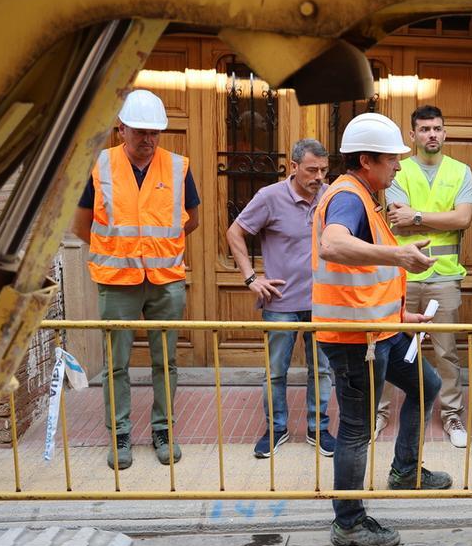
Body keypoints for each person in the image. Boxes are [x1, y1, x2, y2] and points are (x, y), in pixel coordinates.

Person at [314, 112, 452, 546]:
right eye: (392, 159)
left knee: (427, 385)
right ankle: (349, 521)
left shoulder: (367, 197)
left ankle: (405, 471)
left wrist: (400, 318)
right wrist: (400, 257)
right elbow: (332, 244)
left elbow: (364, 278)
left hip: (381, 332)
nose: (398, 166)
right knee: (356, 429)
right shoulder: (348, 198)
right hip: (355, 342)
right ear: (367, 160)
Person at [71, 89, 199, 470]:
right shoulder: (101, 166)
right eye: (140, 131)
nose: (148, 139)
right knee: (116, 364)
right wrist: (119, 249)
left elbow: (191, 218)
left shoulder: (177, 166)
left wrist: (158, 248)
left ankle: (163, 430)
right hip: (116, 279)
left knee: (166, 361)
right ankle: (120, 435)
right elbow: (82, 225)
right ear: (121, 129)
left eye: (155, 133)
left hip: (165, 279)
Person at [227, 138, 336, 460]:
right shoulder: (270, 197)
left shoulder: (331, 196)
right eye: (312, 170)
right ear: (293, 167)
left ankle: (318, 428)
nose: (318, 177)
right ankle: (276, 428)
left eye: (324, 170)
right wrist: (250, 278)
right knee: (276, 372)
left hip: (323, 301)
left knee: (322, 370)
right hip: (281, 303)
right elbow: (235, 233)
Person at [375, 104, 472, 448]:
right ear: (413, 135)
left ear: (444, 133)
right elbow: (395, 218)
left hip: (444, 277)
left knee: (446, 352)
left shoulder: (461, 171)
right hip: (401, 276)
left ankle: (451, 415)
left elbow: (463, 219)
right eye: (425, 129)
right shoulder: (397, 171)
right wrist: (436, 217)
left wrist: (416, 215)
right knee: (388, 347)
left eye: (437, 128)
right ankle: (381, 413)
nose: (432, 134)